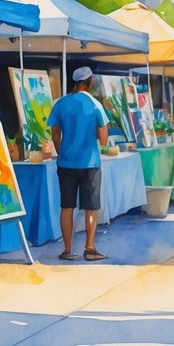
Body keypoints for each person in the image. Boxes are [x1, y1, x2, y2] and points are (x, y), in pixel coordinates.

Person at [49, 66, 108, 262]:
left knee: (67, 207)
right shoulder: (95, 105)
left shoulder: (60, 104)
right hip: (90, 163)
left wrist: (61, 150)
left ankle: (67, 250)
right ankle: (89, 248)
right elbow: (104, 139)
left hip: (66, 163)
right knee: (91, 207)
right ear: (90, 82)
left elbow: (55, 134)